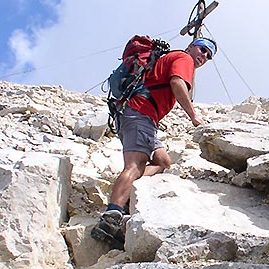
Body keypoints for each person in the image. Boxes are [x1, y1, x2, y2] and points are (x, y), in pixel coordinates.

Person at [91, 37, 217, 247]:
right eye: (202, 49)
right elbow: (177, 83)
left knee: (163, 161)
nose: (204, 56)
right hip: (140, 113)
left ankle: (127, 190)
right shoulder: (184, 58)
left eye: (208, 55)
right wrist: (193, 116)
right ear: (192, 46)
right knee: (134, 165)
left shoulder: (171, 57)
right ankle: (111, 217)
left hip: (141, 117)